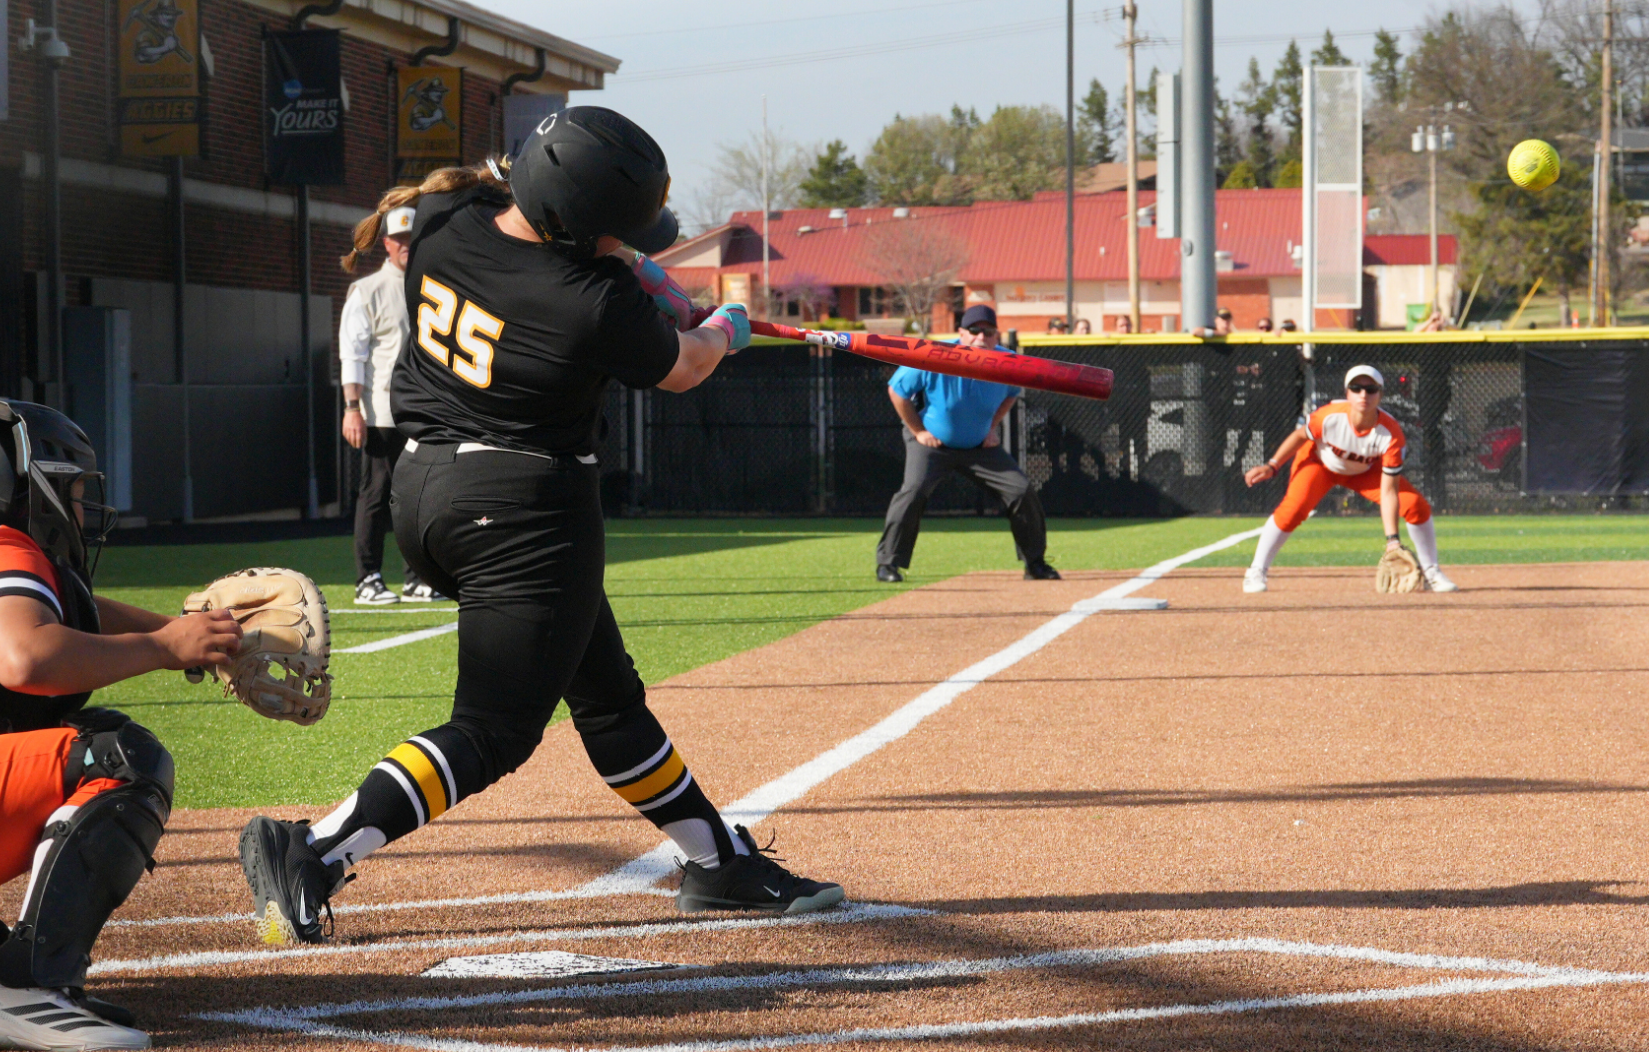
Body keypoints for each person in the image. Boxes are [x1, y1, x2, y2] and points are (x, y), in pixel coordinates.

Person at [237, 106, 843, 947]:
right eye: (616, 232)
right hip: (524, 513)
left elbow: (543, 237)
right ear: (574, 227)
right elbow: (687, 366)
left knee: (607, 699)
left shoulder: (450, 222)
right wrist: (723, 328)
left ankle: (716, 862)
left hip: (427, 486)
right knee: (494, 730)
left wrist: (636, 271)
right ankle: (313, 850)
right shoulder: (592, 300)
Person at [0, 398, 242, 1050]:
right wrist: (166, 648)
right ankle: (32, 993)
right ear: (35, 487)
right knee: (115, 756)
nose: (82, 511)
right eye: (77, 492)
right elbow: (26, 656)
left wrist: (190, 633)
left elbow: (63, 617)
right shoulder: (1, 543)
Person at [875, 304, 1060, 584]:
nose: (980, 337)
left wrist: (991, 427)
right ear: (961, 333)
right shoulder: (932, 354)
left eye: (988, 332)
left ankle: (1034, 564)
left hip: (978, 446)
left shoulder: (1008, 362)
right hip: (933, 443)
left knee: (1021, 491)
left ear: (996, 336)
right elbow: (896, 391)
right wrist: (918, 431)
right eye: (974, 331)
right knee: (913, 492)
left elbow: (1012, 393)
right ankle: (888, 564)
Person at [1240, 365, 1457, 593]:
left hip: (1365, 471)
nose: (1364, 394)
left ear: (1380, 395)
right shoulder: (1328, 417)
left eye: (1371, 389)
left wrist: (1392, 540)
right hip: (1320, 464)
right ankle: (1256, 570)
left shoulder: (1390, 434)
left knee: (1415, 506)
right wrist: (1272, 465)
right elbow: (1299, 435)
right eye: (1356, 388)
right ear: (1347, 393)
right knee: (1292, 510)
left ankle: (1432, 572)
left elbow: (1389, 491)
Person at [338, 200, 440, 604]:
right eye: (398, 239)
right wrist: (352, 408)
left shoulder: (431, 285)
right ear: (385, 243)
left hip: (424, 412)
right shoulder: (368, 290)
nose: (405, 246)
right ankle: (368, 579)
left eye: (411, 239)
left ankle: (417, 577)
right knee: (377, 496)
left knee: (416, 499)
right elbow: (353, 352)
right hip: (380, 411)